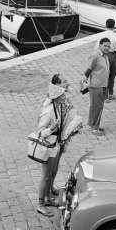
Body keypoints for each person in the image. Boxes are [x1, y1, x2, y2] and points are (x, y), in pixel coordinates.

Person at [36, 74, 70, 217]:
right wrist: (52, 128)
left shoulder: (58, 107)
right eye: (63, 95)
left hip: (55, 145)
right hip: (47, 146)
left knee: (51, 173)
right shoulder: (48, 111)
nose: (65, 97)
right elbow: (39, 133)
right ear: (56, 96)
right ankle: (40, 205)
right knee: (45, 176)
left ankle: (47, 198)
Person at [83, 37, 110, 135]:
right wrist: (84, 80)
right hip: (96, 85)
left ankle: (92, 124)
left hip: (103, 84)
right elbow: (88, 70)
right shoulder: (95, 55)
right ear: (100, 45)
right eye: (105, 46)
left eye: (108, 46)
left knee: (97, 106)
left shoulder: (105, 55)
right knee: (97, 107)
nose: (107, 48)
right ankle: (95, 128)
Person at [94, 19, 116, 101]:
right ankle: (110, 93)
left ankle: (104, 94)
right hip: (113, 56)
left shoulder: (101, 35)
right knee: (112, 76)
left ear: (106, 25)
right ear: (114, 26)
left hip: (103, 55)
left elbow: (96, 48)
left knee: (103, 75)